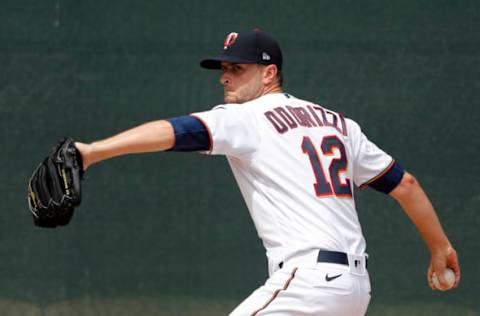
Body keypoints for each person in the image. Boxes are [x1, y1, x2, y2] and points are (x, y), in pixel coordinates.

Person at [74, 29, 460, 316]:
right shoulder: (338, 124)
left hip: (306, 284)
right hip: (355, 290)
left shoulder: (248, 117)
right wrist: (440, 247)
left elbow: (173, 132)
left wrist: (93, 151)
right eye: (223, 68)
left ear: (269, 73)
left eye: (237, 68)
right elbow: (404, 184)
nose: (225, 77)